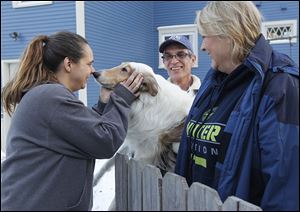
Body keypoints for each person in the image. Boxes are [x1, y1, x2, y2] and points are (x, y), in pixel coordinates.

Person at [175, 1, 299, 211]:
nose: (203, 46)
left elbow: (284, 188)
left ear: (228, 33)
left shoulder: (280, 86)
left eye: (205, 36)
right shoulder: (214, 79)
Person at [1, 31, 143, 211]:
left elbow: (81, 134)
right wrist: (122, 99)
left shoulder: (46, 95)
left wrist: (103, 105)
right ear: (68, 64)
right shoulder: (51, 97)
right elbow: (105, 141)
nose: (93, 71)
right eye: (89, 64)